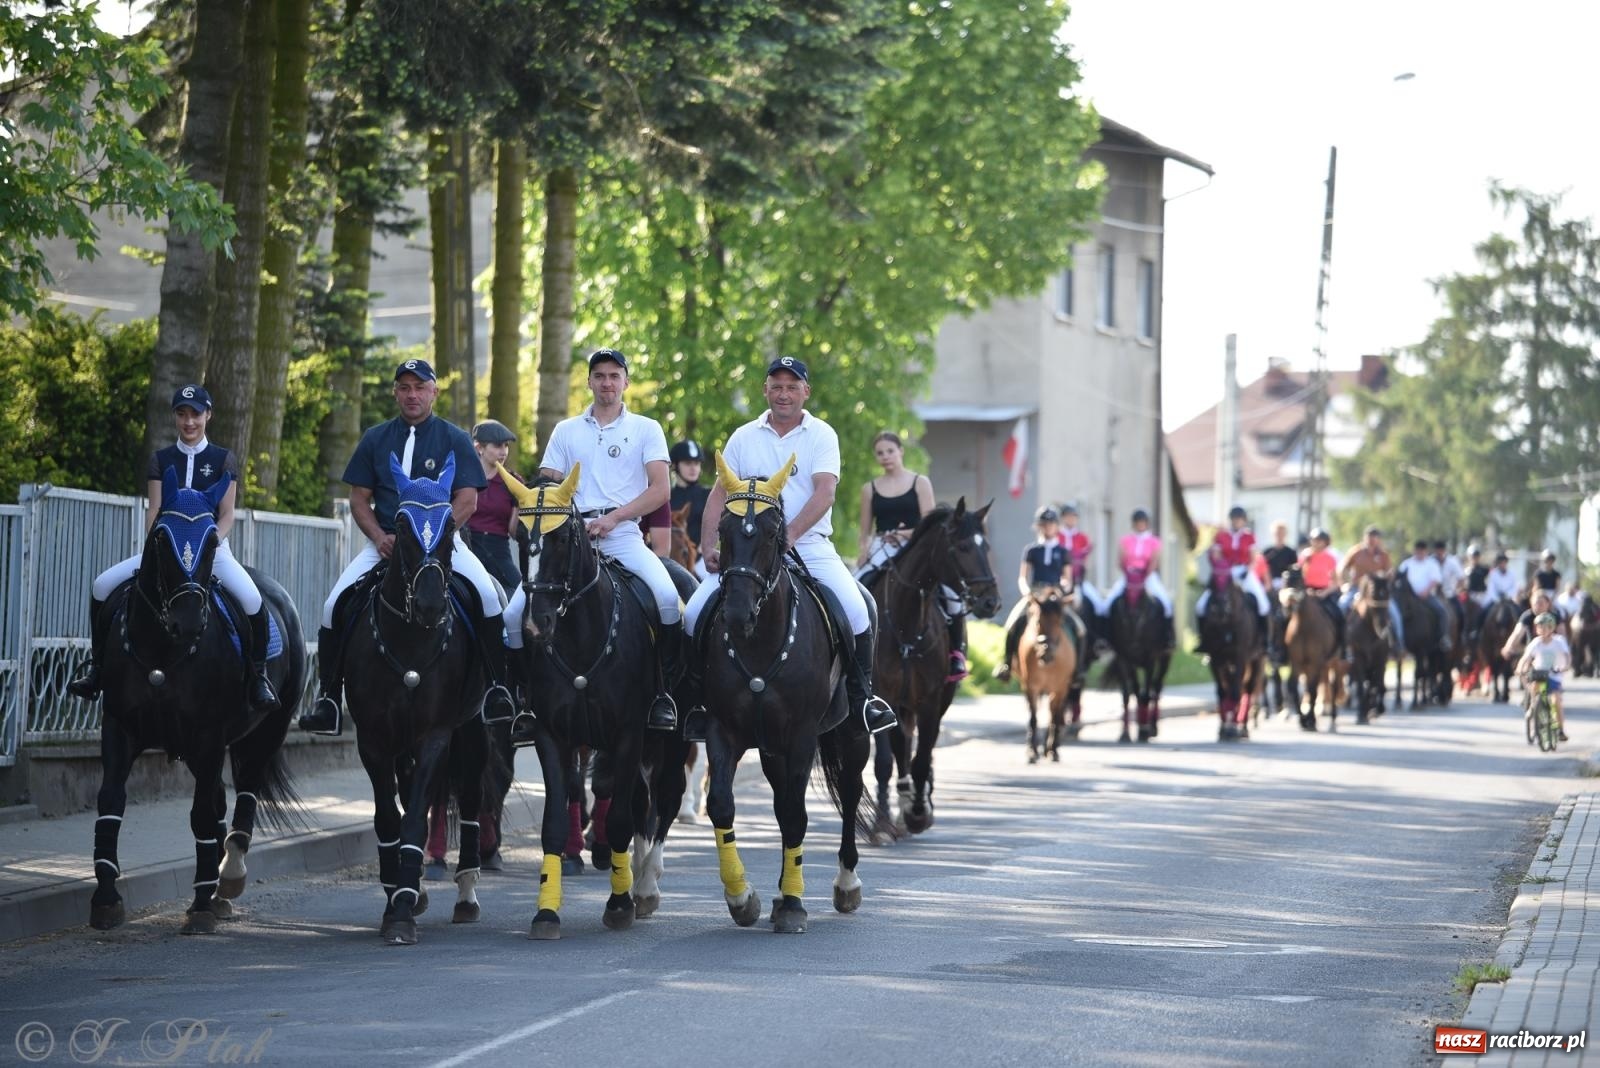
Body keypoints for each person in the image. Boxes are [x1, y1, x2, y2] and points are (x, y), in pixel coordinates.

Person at [298, 359, 515, 735]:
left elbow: (467, 501)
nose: (412, 394)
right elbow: (358, 499)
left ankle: (499, 689)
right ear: (396, 392)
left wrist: (436, 538)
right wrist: (380, 538)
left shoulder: (455, 439)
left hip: (446, 546)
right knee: (333, 604)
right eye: (405, 388)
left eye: (420, 387)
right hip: (387, 544)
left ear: (434, 391)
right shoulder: (375, 438)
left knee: (490, 598)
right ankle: (330, 698)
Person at [683, 355, 897, 737]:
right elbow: (719, 494)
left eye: (792, 386)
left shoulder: (821, 434)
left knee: (857, 610)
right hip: (748, 552)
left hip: (809, 543)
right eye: (776, 386)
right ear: (765, 390)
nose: (784, 394)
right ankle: (694, 701)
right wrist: (708, 543)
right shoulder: (743, 437)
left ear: (805, 391)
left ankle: (862, 699)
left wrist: (791, 534)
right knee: (692, 614)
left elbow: (825, 492)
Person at [502, 347, 681, 739]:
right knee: (513, 616)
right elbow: (549, 482)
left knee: (668, 600)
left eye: (614, 376)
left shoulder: (647, 429)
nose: (607, 383)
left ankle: (664, 696)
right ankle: (521, 699)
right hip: (566, 537)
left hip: (622, 534)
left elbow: (661, 489)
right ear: (589, 382)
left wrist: (615, 517)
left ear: (626, 382)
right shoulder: (567, 430)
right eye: (599, 375)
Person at [68, 385, 279, 713]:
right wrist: (159, 545)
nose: (189, 421)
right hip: (166, 552)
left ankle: (258, 677)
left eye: (195, 413)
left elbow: (226, 515)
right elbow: (154, 510)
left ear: (208, 414)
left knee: (252, 600)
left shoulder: (223, 459)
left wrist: (210, 543)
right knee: (101, 586)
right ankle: (97, 669)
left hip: (212, 552)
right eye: (182, 414)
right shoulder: (161, 459)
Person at [854, 430, 966, 681]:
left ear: (901, 451)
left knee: (952, 594)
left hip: (915, 548)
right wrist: (863, 551)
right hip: (881, 547)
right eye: (880, 453)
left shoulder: (920, 482)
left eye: (890, 451)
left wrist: (904, 534)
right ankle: (849, 658)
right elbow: (865, 531)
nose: (886, 457)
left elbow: (930, 525)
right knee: (852, 592)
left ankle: (956, 654)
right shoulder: (869, 489)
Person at [992, 507, 1075, 683]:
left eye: (1051, 524)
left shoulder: (1063, 551)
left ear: (1056, 526)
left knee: (1079, 627)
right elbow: (1023, 577)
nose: (1048, 528)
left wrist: (1061, 589)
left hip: (1055, 595)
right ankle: (1006, 664)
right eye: (1044, 524)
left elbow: (1067, 578)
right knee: (1012, 623)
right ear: (1039, 527)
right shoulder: (1031, 550)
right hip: (1035, 594)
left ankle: (1078, 670)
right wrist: (1027, 592)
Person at [1096, 508, 1174, 649]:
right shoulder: (1126, 540)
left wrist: (1144, 576)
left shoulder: (1154, 541)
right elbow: (1121, 560)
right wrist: (1129, 574)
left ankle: (1168, 638)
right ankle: (1104, 638)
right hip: (1129, 576)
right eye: (1137, 522)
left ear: (1147, 524)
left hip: (1147, 577)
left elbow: (1154, 561)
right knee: (1107, 603)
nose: (1140, 525)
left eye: (1142, 522)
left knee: (1166, 603)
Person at [462, 420, 521, 595]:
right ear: (479, 447)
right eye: (497, 446)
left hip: (499, 553)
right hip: (467, 550)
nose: (503, 452)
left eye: (506, 446)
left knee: (522, 597)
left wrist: (522, 503)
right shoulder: (463, 478)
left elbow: (514, 532)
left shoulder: (514, 482)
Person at [1195, 506, 1270, 630]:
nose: (1236, 521)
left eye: (1239, 519)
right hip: (1225, 573)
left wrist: (1247, 571)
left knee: (1263, 604)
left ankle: (1266, 641)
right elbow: (1217, 557)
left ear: (1244, 521)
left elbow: (1253, 558)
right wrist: (1221, 570)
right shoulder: (1221, 536)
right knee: (1201, 605)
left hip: (1244, 571)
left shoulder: (1249, 537)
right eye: (1234, 519)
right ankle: (1203, 639)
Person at [1339, 525, 1402, 648]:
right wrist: (1344, 584)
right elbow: (1342, 569)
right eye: (1369, 536)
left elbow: (1390, 572)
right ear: (1364, 537)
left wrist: (1386, 575)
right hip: (1357, 589)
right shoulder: (1356, 551)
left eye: (1375, 536)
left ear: (1379, 539)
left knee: (1395, 614)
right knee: (1342, 606)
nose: (1372, 539)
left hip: (1377, 592)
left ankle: (1398, 645)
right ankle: (1340, 645)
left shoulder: (1384, 554)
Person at [1515, 612, 1570, 742]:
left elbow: (1567, 656)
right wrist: (1520, 668)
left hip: (1554, 674)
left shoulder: (1559, 641)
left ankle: (1560, 729)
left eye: (1545, 627)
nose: (1542, 630)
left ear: (1552, 628)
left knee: (1556, 701)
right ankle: (1533, 708)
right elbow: (1526, 657)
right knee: (1534, 688)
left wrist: (1566, 666)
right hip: (1539, 673)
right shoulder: (1536, 642)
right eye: (1539, 627)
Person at [1397, 539, 1452, 652]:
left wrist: (1426, 591)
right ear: (1414, 551)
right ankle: (1396, 641)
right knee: (1395, 613)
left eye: (1422, 551)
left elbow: (1436, 580)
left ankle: (1443, 637)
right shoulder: (1407, 564)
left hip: (1426, 596)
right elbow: (1399, 579)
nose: (1420, 553)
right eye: (1418, 551)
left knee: (1442, 611)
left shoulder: (1431, 564)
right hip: (1409, 598)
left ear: (1426, 552)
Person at [669, 439, 711, 577]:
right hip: (671, 560)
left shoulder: (709, 495)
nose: (693, 468)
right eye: (687, 463)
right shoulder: (665, 497)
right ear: (675, 465)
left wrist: (704, 548)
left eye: (697, 463)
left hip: (702, 560)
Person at [1434, 539, 1466, 636]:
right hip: (1433, 595)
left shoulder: (1452, 562)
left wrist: (1456, 589)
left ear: (1444, 551)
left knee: (1461, 613)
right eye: (1437, 551)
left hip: (1450, 594)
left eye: (1441, 550)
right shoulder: (1430, 562)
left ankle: (1461, 637)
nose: (1439, 553)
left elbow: (1461, 578)